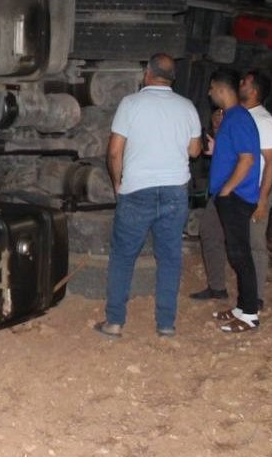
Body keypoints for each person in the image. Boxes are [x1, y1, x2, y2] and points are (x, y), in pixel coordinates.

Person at [95, 53, 202, 339]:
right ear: (172, 78)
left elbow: (115, 151)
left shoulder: (130, 104)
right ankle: (165, 324)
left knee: (123, 257)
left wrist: (118, 184)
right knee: (169, 258)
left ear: (147, 73)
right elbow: (194, 151)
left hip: (137, 191)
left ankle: (115, 322)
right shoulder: (187, 106)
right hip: (174, 192)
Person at [189, 71, 272, 309]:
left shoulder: (264, 121)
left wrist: (262, 199)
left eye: (245, 82)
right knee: (210, 230)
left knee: (252, 245)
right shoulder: (233, 115)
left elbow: (270, 162)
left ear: (254, 91)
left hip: (248, 190)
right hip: (227, 189)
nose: (240, 83)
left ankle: (254, 299)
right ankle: (217, 287)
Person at [206, 69, 262, 332]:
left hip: (237, 197)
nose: (209, 93)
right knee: (236, 252)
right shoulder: (231, 118)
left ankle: (250, 314)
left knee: (241, 255)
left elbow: (247, 159)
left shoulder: (238, 118)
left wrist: (227, 190)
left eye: (211, 88)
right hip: (231, 196)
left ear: (221, 88)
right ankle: (242, 306)